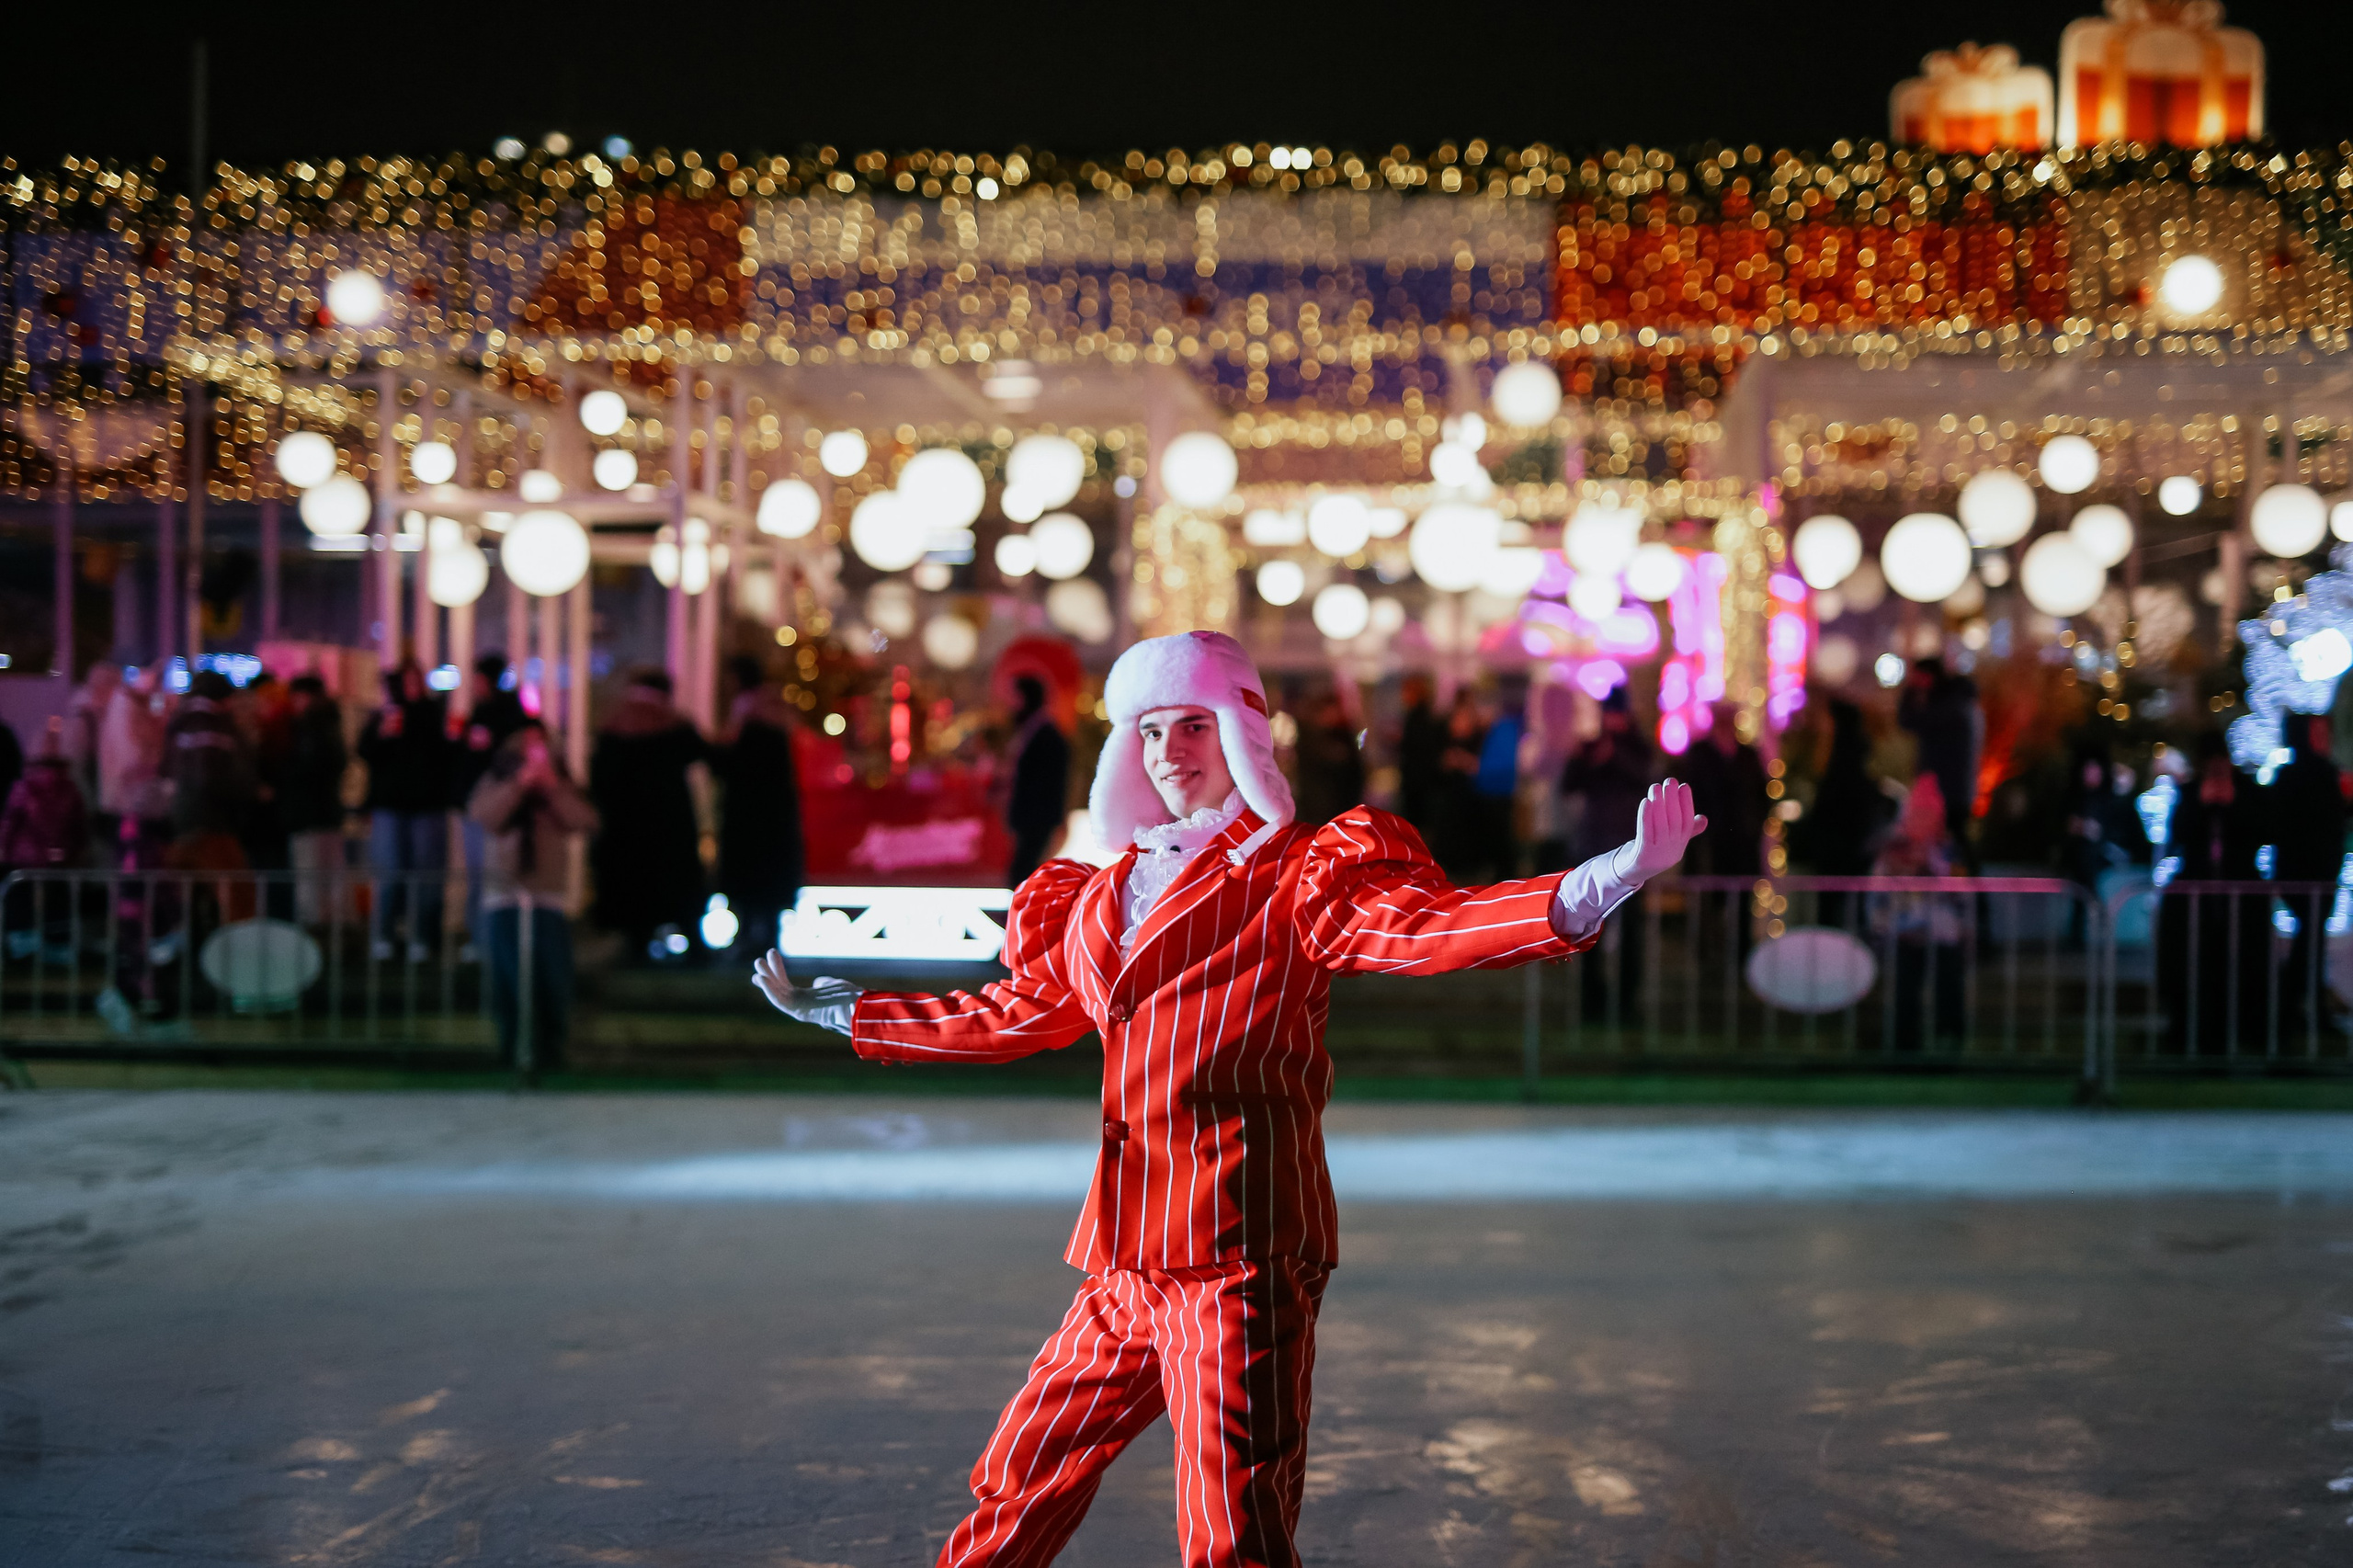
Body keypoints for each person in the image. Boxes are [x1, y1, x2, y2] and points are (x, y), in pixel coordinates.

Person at [752, 630, 1706, 1568]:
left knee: (1231, 1529)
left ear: (1245, 734)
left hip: (1237, 1251)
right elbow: (1017, 1011)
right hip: (1123, 1257)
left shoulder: (1297, 875)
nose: (1170, 753)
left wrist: (1605, 879)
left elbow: (1430, 928)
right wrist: (851, 1012)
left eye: (1194, 726)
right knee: (1022, 1468)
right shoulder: (1101, 891)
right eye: (1153, 730)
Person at [468, 721, 597, 1070]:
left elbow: (584, 819)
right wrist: (519, 785)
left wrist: (552, 788)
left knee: (552, 978)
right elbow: (485, 816)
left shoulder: (562, 782)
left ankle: (551, 1048)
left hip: (549, 898)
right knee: (510, 978)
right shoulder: (497, 778)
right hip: (505, 896)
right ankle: (510, 1047)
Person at [2157, 733, 2269, 1053]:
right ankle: (2192, 1029)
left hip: (2241, 892)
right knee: (2195, 964)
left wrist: (2234, 805)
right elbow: (2176, 835)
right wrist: (2200, 804)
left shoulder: (2247, 791)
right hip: (2197, 894)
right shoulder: (2189, 793)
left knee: (2241, 964)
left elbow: (2263, 830)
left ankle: (2242, 1028)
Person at [589, 668, 710, 960]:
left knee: (634, 897)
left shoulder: (614, 729)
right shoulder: (675, 727)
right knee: (678, 892)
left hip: (626, 830)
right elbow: (704, 755)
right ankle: (693, 949)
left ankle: (637, 948)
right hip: (670, 827)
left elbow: (599, 779)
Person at [1559, 686, 1656, 1021]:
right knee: (1588, 928)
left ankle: (1627, 1002)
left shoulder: (1636, 748)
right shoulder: (1591, 747)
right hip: (1593, 849)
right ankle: (1592, 1001)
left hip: (1629, 854)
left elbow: (1645, 776)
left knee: (1630, 931)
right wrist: (1580, 757)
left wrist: (1613, 753)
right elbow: (1569, 784)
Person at [356, 660, 453, 962]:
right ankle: (385, 934)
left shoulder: (435, 715)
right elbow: (365, 753)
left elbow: (446, 755)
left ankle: (421, 936)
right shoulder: (386, 715)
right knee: (390, 873)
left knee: (425, 876)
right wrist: (381, 734)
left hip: (426, 805)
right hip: (392, 804)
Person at [714, 655, 805, 956]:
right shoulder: (777, 720)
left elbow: (733, 763)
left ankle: (750, 936)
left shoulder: (750, 721)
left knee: (750, 876)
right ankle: (767, 937)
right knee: (769, 879)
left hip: (749, 816)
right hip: (774, 816)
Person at [1870, 774, 1968, 1051]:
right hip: (1904, 933)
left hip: (1941, 934)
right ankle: (1906, 1046)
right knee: (1906, 991)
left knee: (1948, 987)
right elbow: (1878, 894)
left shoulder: (1948, 850)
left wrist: (1935, 867)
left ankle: (1947, 1040)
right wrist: (1882, 928)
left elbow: (1960, 892)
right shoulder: (1892, 851)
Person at [2268, 713, 2347, 1039]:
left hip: (2298, 870)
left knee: (2308, 940)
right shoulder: (2321, 773)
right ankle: (2298, 1006)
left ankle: (2295, 1006)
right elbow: (2334, 824)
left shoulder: (2287, 776)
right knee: (2310, 941)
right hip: (2317, 870)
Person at [449, 653, 530, 952]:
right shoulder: (512, 714)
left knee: (484, 877)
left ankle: (484, 939)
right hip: (498, 805)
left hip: (486, 805)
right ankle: (492, 939)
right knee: (491, 877)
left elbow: (475, 759)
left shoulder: (490, 716)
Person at [1, 720, 90, 960]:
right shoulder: (69, 788)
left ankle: (24, 945)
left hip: (27, 859)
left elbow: (10, 823)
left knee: (24, 903)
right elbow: (78, 825)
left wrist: (6, 851)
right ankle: (56, 946)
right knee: (57, 905)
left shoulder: (25, 787)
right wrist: (76, 850)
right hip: (60, 857)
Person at [1802, 699, 1888, 931]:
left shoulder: (1841, 758)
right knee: (1849, 909)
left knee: (1833, 909)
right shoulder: (1852, 753)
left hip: (1841, 843)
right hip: (1849, 842)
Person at [278, 676, 348, 926]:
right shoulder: (330, 724)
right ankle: (336, 929)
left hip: (308, 815)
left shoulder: (308, 728)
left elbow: (306, 770)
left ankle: (313, 930)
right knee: (331, 878)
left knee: (309, 879)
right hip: (326, 814)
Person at [1899, 656, 1982, 865]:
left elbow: (1910, 721)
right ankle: (1972, 892)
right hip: (1951, 787)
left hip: (1945, 789)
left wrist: (1909, 692)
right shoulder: (1958, 703)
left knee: (1953, 839)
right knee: (1953, 840)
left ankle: (1974, 892)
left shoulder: (1951, 706)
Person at [1004, 674, 1071, 886]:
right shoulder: (1033, 730)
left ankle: (1024, 916)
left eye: (1015, 696)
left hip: (1037, 818)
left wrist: (1056, 818)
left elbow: (1053, 781)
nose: (1010, 703)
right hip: (1032, 818)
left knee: (1026, 871)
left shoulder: (1046, 734)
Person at [1290, 691, 1365, 827]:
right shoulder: (1310, 738)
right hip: (1317, 807)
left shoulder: (1341, 736)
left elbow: (1356, 772)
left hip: (1339, 806)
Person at [1394, 673, 1445, 841]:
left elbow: (1419, 751)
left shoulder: (1418, 718)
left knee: (1416, 826)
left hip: (1418, 783)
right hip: (1421, 782)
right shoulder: (1424, 716)